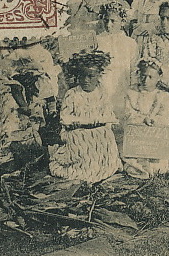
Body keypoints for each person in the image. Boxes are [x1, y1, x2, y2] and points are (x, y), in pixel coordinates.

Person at [49, 51, 121, 183]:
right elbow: (65, 117)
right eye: (82, 76)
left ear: (98, 76)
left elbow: (108, 114)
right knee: (80, 140)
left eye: (90, 76)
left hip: (98, 130)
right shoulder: (73, 94)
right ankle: (84, 167)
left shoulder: (102, 93)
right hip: (78, 131)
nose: (85, 80)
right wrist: (75, 123)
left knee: (105, 135)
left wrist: (100, 121)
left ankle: (103, 165)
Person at [0, 42, 59, 170]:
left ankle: (29, 157)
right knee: (10, 121)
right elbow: (9, 70)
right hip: (6, 84)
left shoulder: (41, 52)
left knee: (33, 121)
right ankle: (7, 159)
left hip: (32, 88)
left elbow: (47, 77)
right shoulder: (6, 48)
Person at [121, 58, 169, 178]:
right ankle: (138, 164)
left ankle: (155, 163)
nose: (145, 80)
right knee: (132, 154)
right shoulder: (132, 93)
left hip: (154, 135)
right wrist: (141, 120)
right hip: (137, 133)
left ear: (158, 78)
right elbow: (128, 113)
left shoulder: (163, 97)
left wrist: (154, 120)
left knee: (158, 160)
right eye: (143, 76)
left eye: (151, 77)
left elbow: (164, 116)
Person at [95, 2, 138, 118]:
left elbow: (134, 69)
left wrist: (133, 92)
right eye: (106, 20)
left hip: (122, 88)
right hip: (102, 87)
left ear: (122, 22)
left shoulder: (130, 43)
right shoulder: (96, 41)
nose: (109, 24)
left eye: (113, 21)